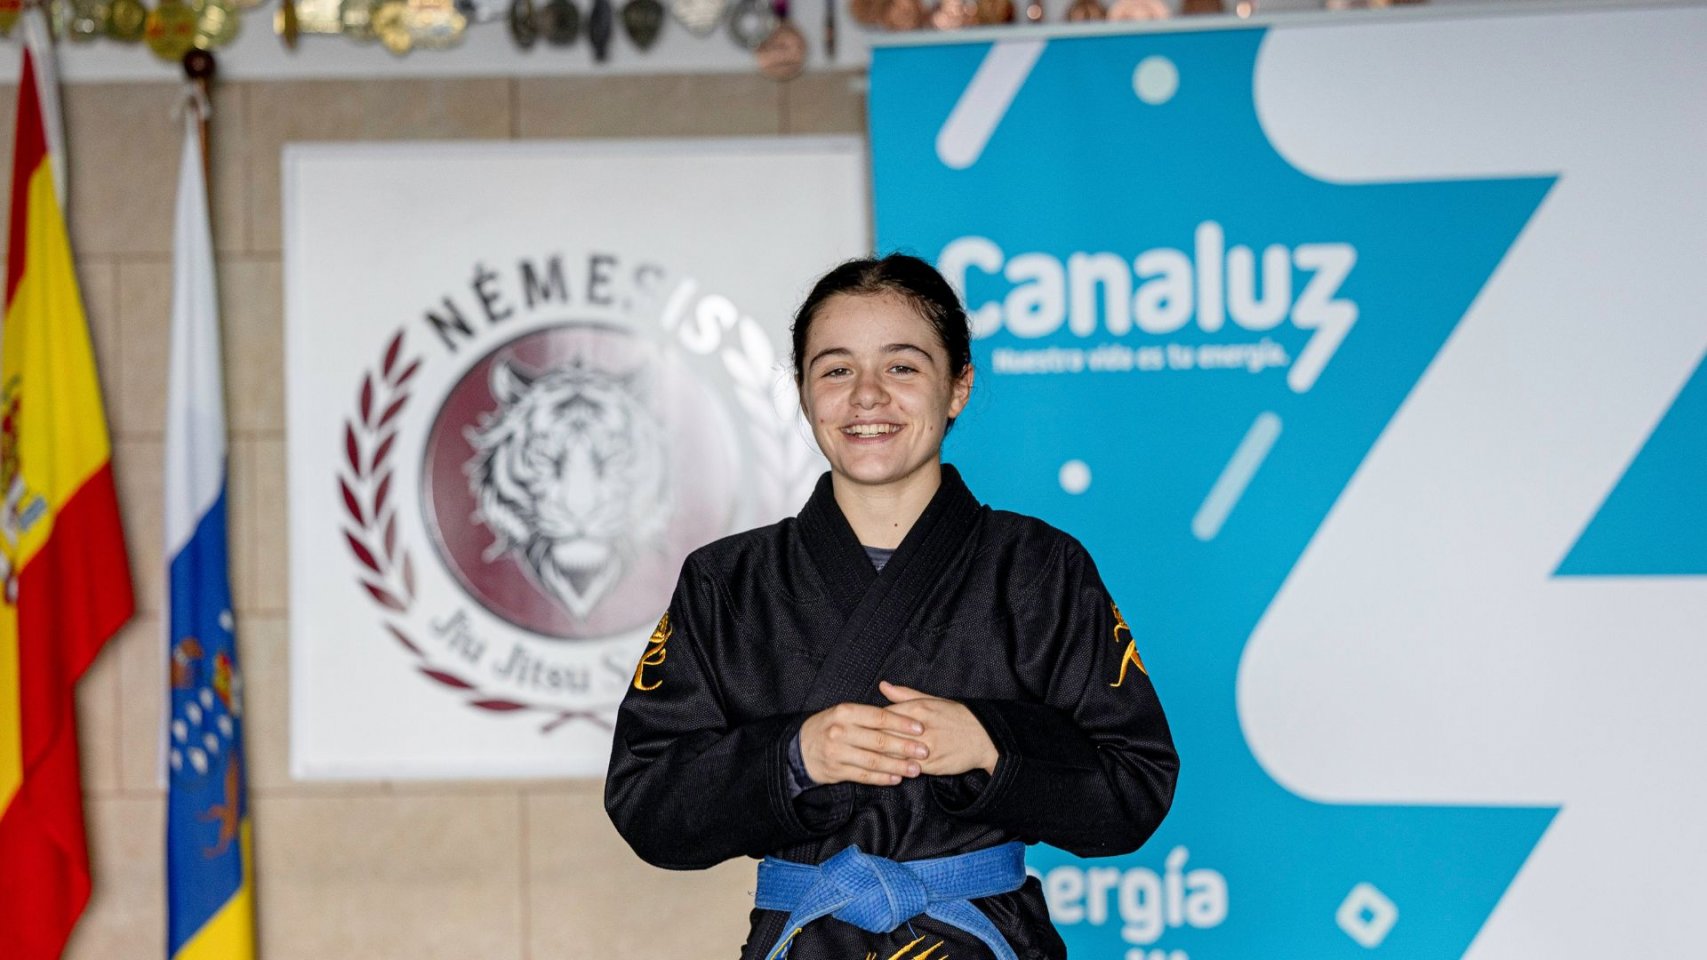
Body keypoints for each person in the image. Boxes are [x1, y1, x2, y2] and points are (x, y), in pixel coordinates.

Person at [605, 254, 1178, 960]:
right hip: (808, 937)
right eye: (836, 369)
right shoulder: (727, 581)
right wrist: (792, 757)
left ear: (958, 385)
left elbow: (1134, 791)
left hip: (983, 937)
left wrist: (991, 747)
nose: (866, 396)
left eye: (901, 367)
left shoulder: (1038, 567)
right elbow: (646, 804)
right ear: (803, 391)